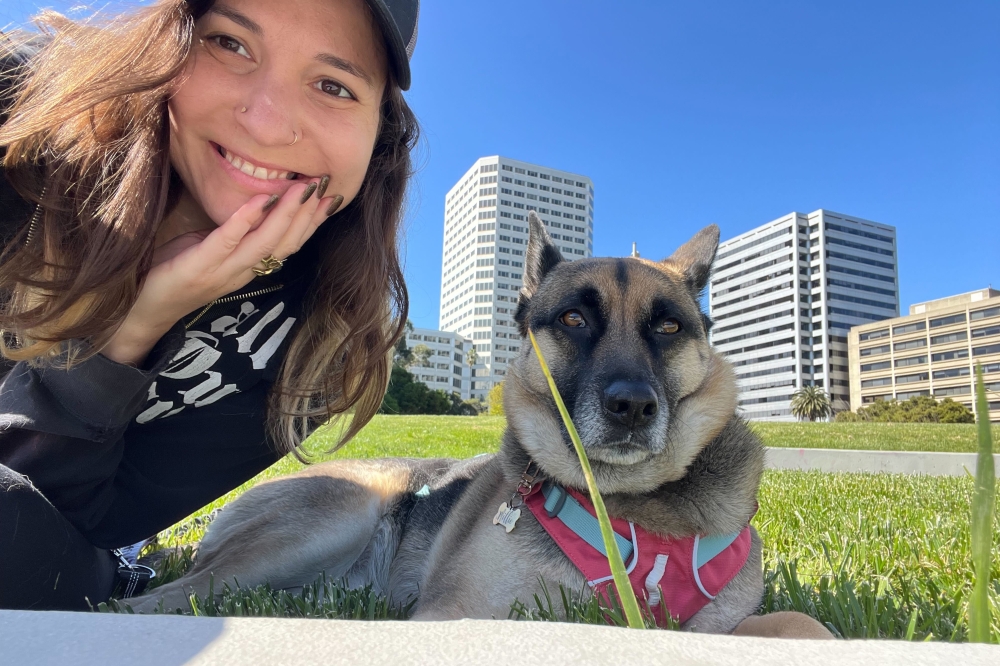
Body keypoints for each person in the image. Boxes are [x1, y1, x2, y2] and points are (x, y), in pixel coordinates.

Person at [0, 0, 420, 611]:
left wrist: (132, 331)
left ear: (379, 134)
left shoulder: (318, 345)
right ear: (172, 41)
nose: (269, 123)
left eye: (334, 85)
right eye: (231, 45)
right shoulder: (23, 107)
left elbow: (74, 518)